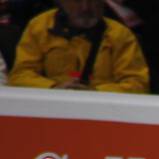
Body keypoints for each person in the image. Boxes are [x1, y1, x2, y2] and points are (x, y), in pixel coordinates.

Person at [8, 0, 149, 92]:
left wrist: (96, 92)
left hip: (102, 111)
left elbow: (138, 83)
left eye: (93, 1)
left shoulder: (120, 34)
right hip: (51, 108)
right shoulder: (39, 27)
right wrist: (53, 88)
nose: (85, 8)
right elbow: (20, 75)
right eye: (77, 1)